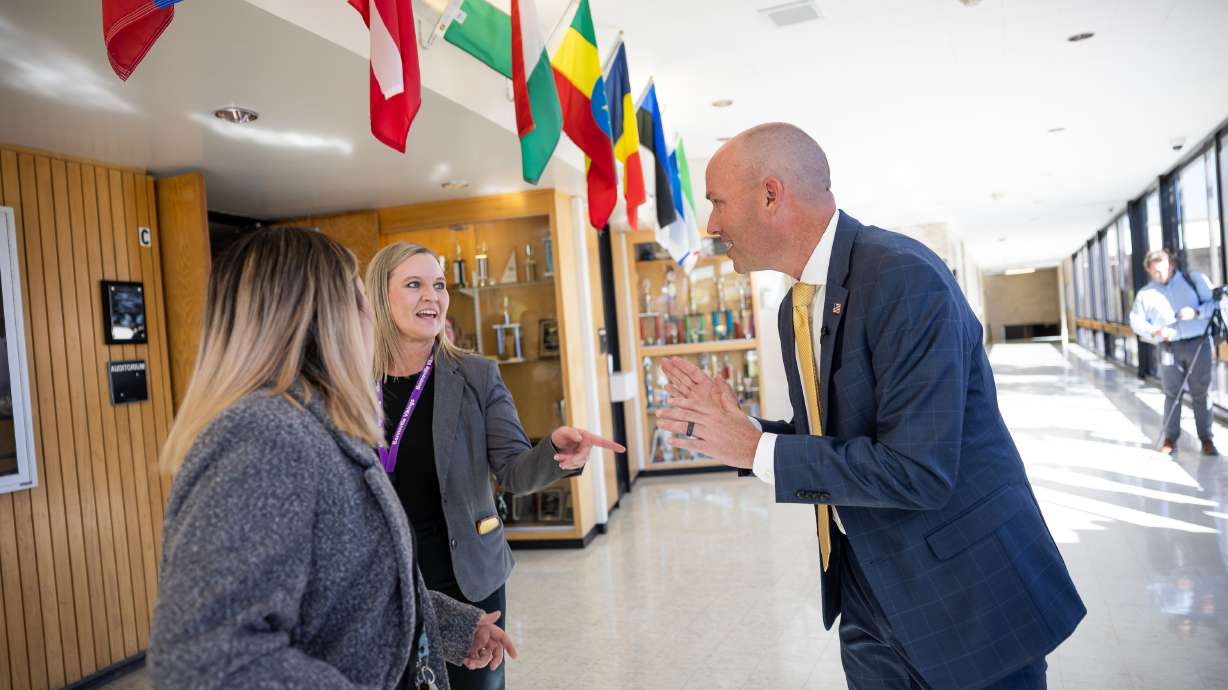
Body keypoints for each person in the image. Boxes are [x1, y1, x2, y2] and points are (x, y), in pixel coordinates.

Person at [656, 123, 1085, 690]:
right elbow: (837, 439)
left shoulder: (904, 278)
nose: (710, 225)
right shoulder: (795, 310)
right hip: (867, 598)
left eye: (716, 203)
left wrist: (758, 449)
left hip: (965, 601)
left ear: (770, 194)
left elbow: (917, 470)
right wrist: (745, 431)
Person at [149, 228, 516, 689]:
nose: (371, 320)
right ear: (321, 320)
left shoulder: (318, 423)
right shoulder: (263, 439)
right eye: (363, 303)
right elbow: (205, 661)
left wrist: (453, 627)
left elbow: (352, 586)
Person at [365, 242, 624, 690]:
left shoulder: (476, 375)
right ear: (379, 297)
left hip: (465, 574)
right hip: (388, 581)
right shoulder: (351, 383)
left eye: (439, 285)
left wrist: (555, 453)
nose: (432, 296)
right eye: (414, 284)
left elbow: (514, 471)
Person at [1128, 248, 1220, 456]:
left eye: (1162, 270)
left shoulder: (1195, 280)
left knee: (1201, 393)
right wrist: (1154, 330)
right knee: (1172, 394)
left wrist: (1196, 312)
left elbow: (1217, 305)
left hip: (1198, 343)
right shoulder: (1146, 294)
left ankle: (1206, 439)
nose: (1160, 275)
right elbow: (1135, 321)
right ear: (1149, 271)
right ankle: (1171, 438)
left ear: (1171, 264)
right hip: (1169, 347)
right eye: (1155, 273)